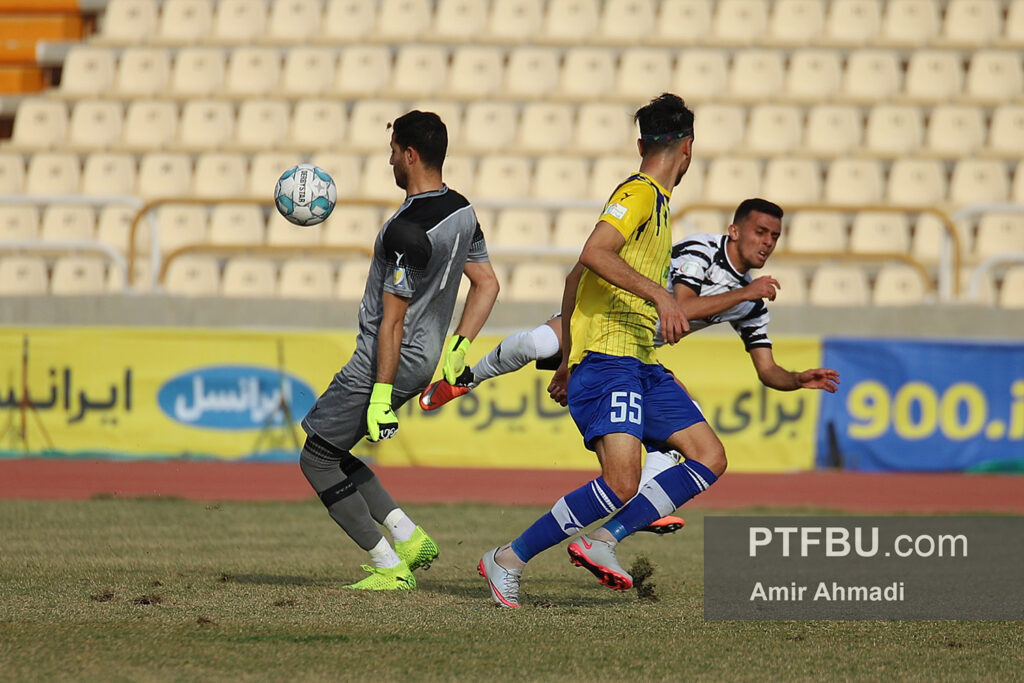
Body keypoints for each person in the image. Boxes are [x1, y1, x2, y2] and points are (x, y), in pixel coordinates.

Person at [479, 93, 721, 608]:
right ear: (689, 148)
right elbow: (592, 252)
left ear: (641, 142)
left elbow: (575, 276)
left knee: (709, 457)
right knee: (621, 483)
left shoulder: (657, 204)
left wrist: (565, 358)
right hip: (611, 360)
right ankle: (506, 560)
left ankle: (603, 540)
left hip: (640, 362)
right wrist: (659, 295)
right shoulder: (638, 193)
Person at [422, 198, 840, 494]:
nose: (767, 242)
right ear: (735, 230)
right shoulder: (704, 251)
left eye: (774, 236)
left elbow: (767, 371)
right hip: (604, 317)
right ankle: (466, 378)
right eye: (760, 231)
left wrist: (797, 378)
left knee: (680, 433)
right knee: (536, 342)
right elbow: (683, 305)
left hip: (636, 349)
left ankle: (644, 506)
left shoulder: (750, 301)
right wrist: (745, 295)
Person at [299, 110, 499, 591]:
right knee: (334, 448)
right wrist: (458, 346)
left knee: (316, 460)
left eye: (393, 152)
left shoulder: (405, 230)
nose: (390, 160)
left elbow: (392, 321)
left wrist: (380, 396)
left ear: (409, 155)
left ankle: (389, 564)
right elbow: (487, 284)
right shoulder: (462, 209)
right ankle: (408, 537)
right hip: (424, 357)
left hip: (385, 360)